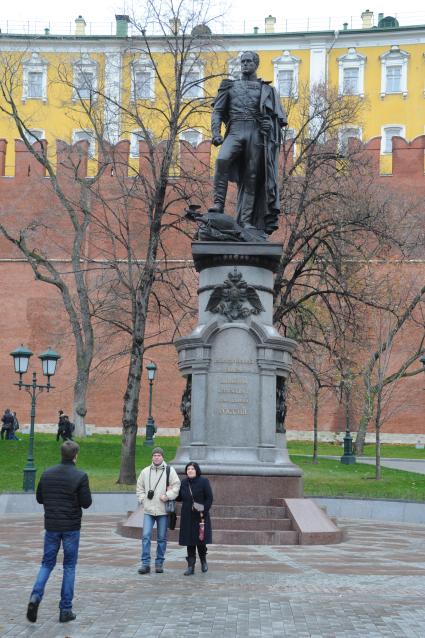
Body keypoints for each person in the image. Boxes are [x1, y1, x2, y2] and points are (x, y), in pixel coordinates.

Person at [210, 51, 287, 236]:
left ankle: (246, 220)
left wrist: (270, 123)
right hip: (235, 129)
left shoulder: (266, 90)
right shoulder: (229, 86)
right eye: (242, 61)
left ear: (256, 64)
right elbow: (218, 111)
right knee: (222, 160)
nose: (245, 64)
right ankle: (218, 205)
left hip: (256, 133)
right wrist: (215, 132)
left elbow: (277, 120)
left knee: (251, 177)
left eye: (248, 61)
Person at [26, 440, 92, 624]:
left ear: (61, 454)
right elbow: (86, 503)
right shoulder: (80, 476)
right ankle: (65, 610)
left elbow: (40, 498)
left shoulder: (47, 474)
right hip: (71, 527)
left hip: (52, 526)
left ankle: (35, 597)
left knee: (47, 564)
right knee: (69, 566)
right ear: (75, 455)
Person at [136, 447, 180, 574]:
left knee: (162, 538)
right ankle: (145, 564)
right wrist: (143, 500)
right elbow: (139, 488)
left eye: (159, 455)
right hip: (148, 511)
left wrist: (167, 496)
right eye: (154, 455)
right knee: (146, 536)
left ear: (162, 457)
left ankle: (159, 563)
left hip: (163, 511)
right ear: (152, 457)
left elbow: (176, 486)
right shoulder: (145, 472)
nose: (156, 457)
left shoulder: (169, 470)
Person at [177, 462, 213, 576]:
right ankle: (190, 566)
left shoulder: (203, 482)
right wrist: (170, 491)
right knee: (189, 541)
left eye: (192, 469)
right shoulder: (183, 482)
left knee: (201, 540)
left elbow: (210, 498)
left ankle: (203, 561)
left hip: (201, 516)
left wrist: (202, 509)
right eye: (188, 469)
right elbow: (179, 497)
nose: (190, 470)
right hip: (187, 516)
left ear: (197, 470)